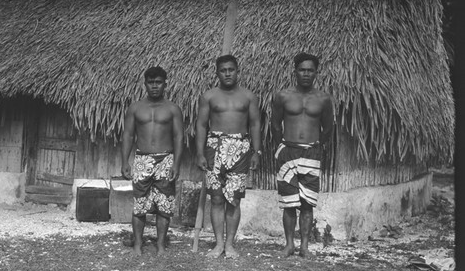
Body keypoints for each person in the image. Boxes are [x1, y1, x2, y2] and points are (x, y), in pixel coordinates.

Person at [195, 54, 261, 259]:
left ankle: (230, 245)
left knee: (234, 200)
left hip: (240, 148)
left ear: (237, 70)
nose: (227, 73)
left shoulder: (248, 96)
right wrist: (199, 153)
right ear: (217, 73)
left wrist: (256, 151)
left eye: (231, 69)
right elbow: (201, 125)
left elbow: (256, 125)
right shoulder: (209, 96)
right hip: (214, 146)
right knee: (216, 198)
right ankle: (219, 244)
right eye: (223, 70)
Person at [271, 52, 333, 258]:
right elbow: (275, 124)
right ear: (295, 71)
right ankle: (289, 245)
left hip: (311, 153)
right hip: (287, 152)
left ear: (316, 73)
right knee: (289, 202)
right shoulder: (283, 96)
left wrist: (316, 147)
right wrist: (282, 146)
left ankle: (304, 246)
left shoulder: (323, 99)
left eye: (310, 70)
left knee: (307, 203)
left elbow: (328, 129)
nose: (306, 74)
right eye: (302, 70)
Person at [121, 66, 184, 256]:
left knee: (164, 205)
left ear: (165, 83)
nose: (154, 86)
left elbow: (179, 137)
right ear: (145, 84)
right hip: (142, 159)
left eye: (158, 82)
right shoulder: (136, 107)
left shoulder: (173, 109)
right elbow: (128, 135)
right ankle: (138, 245)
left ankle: (161, 245)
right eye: (151, 82)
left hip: (166, 158)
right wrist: (125, 161)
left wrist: (176, 163)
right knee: (140, 204)